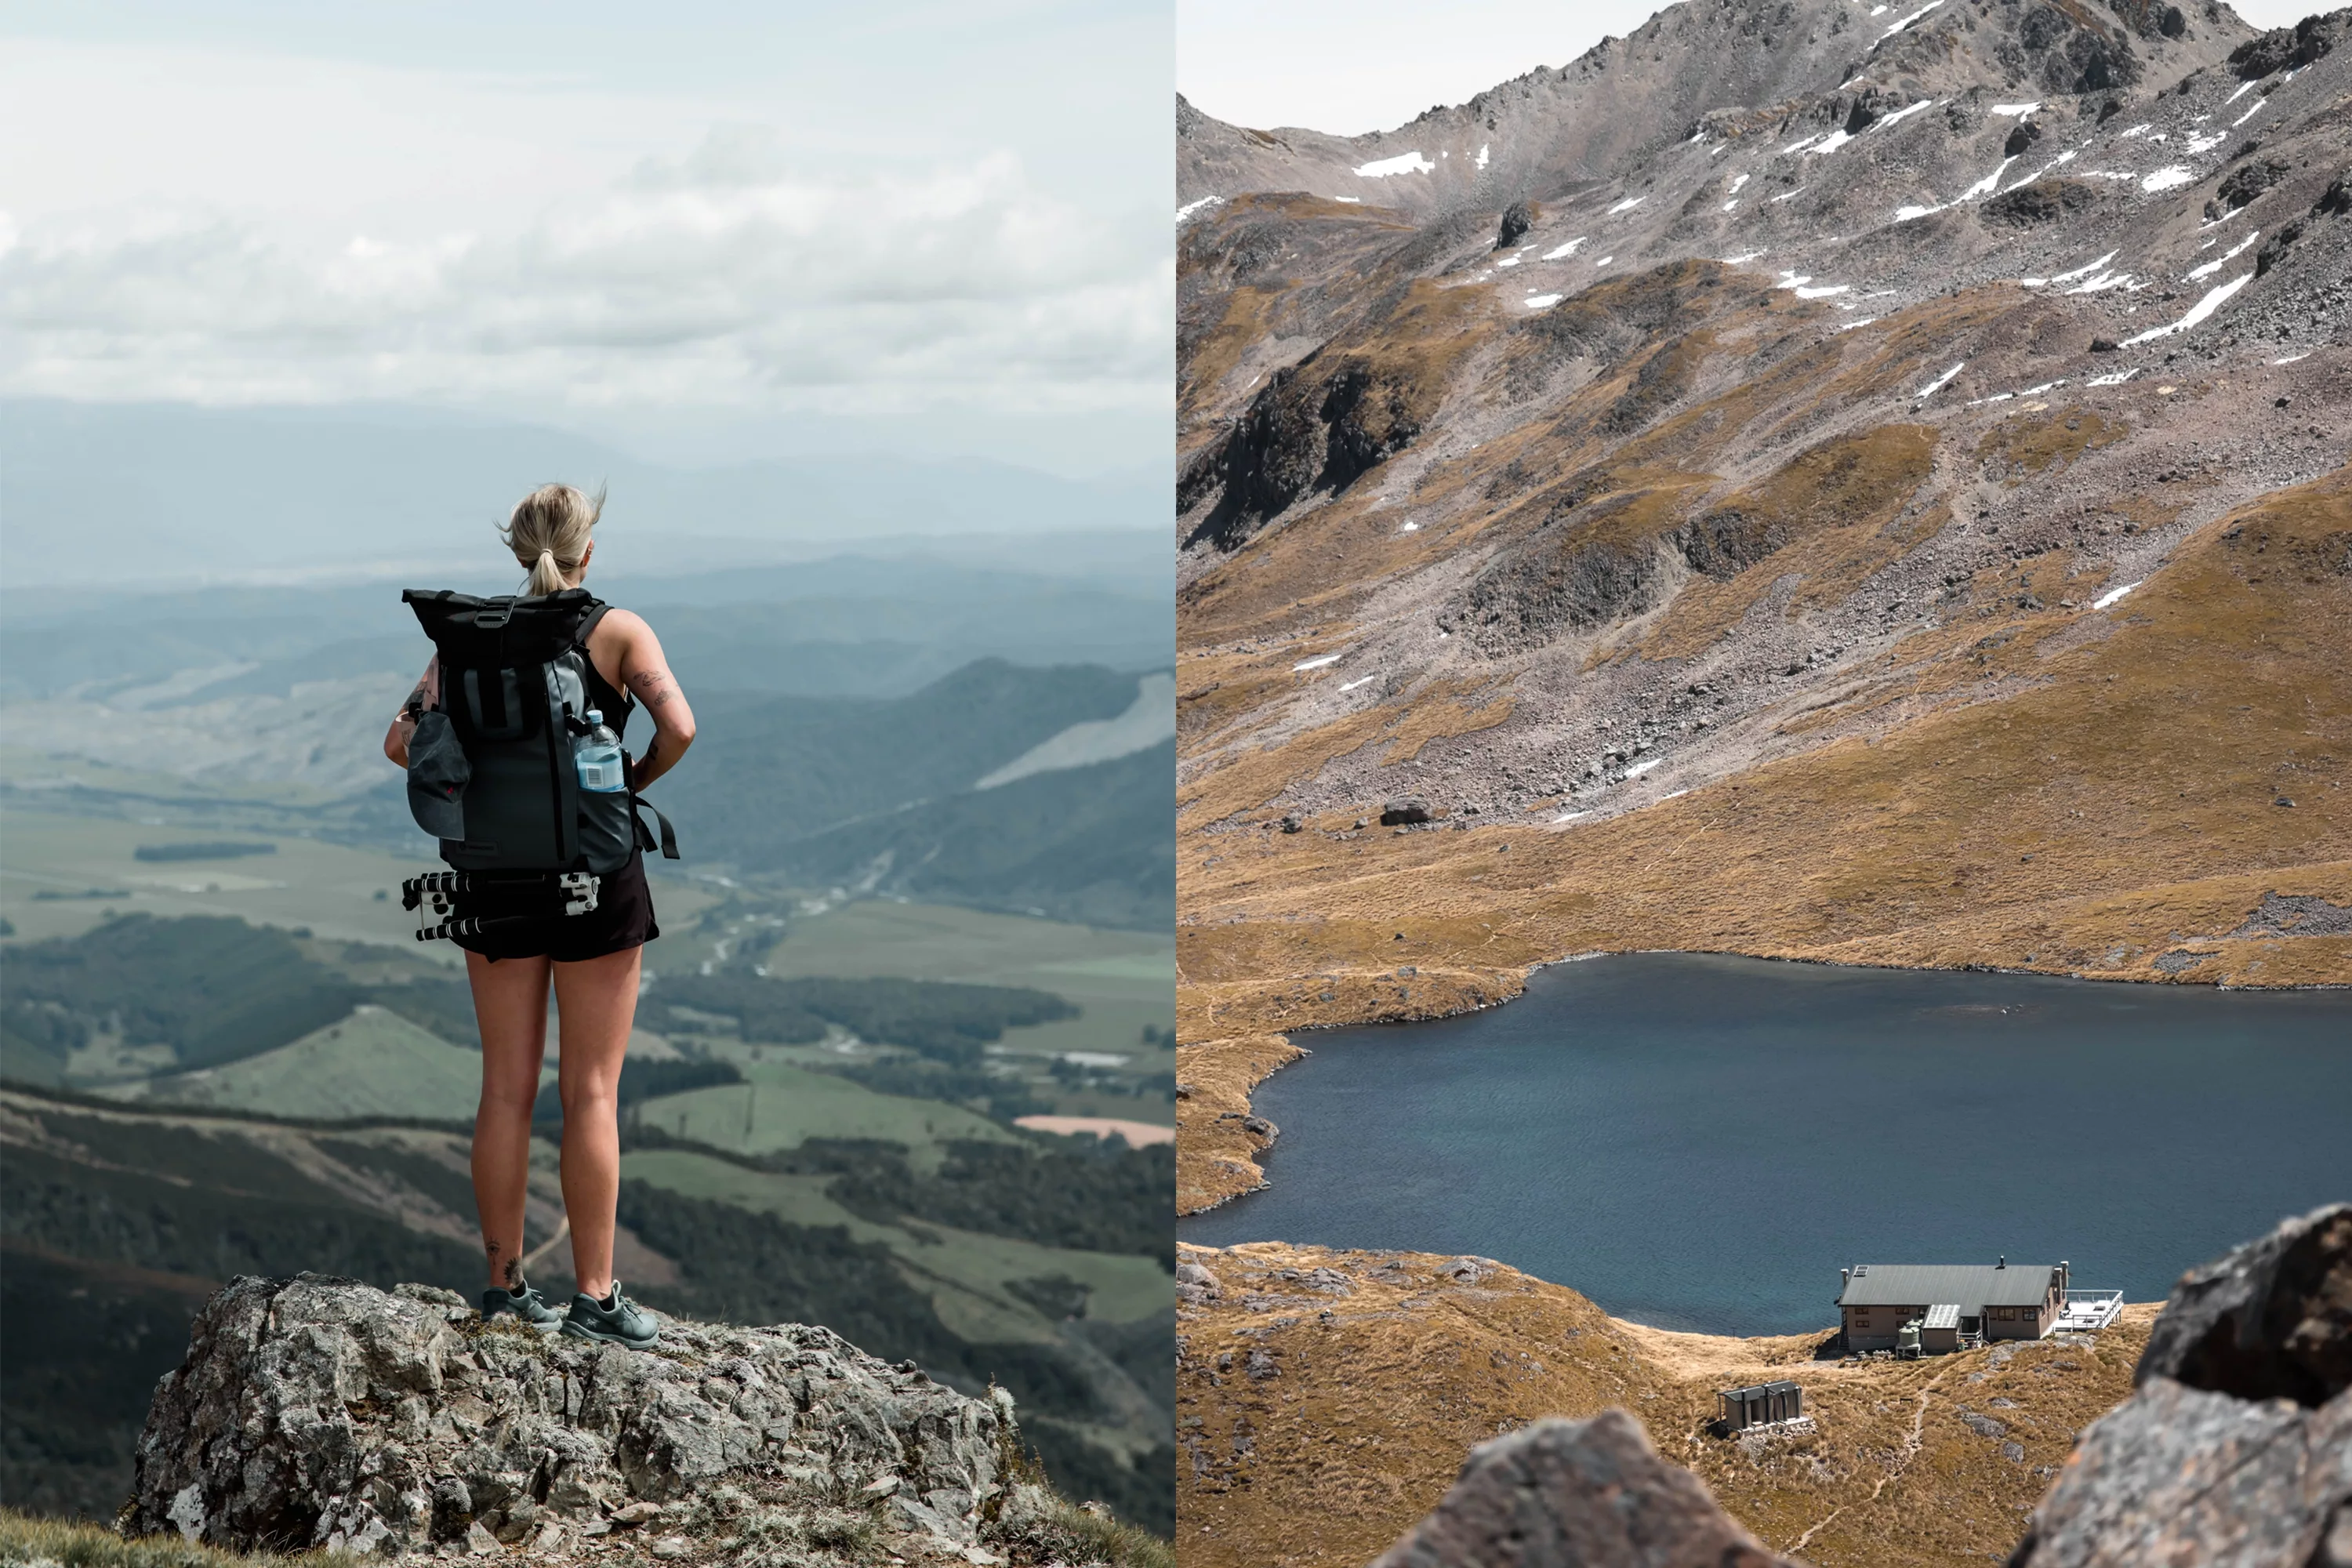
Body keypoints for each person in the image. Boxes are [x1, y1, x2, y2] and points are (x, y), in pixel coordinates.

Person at [383, 483, 695, 1349]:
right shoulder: (618, 631)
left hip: (494, 884)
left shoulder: (463, 644)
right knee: (590, 1088)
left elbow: (399, 743)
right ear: (587, 549)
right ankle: (596, 1296)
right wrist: (627, 783)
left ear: (517, 553)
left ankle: (504, 1284)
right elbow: (681, 727)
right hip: (598, 877)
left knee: (504, 1089)